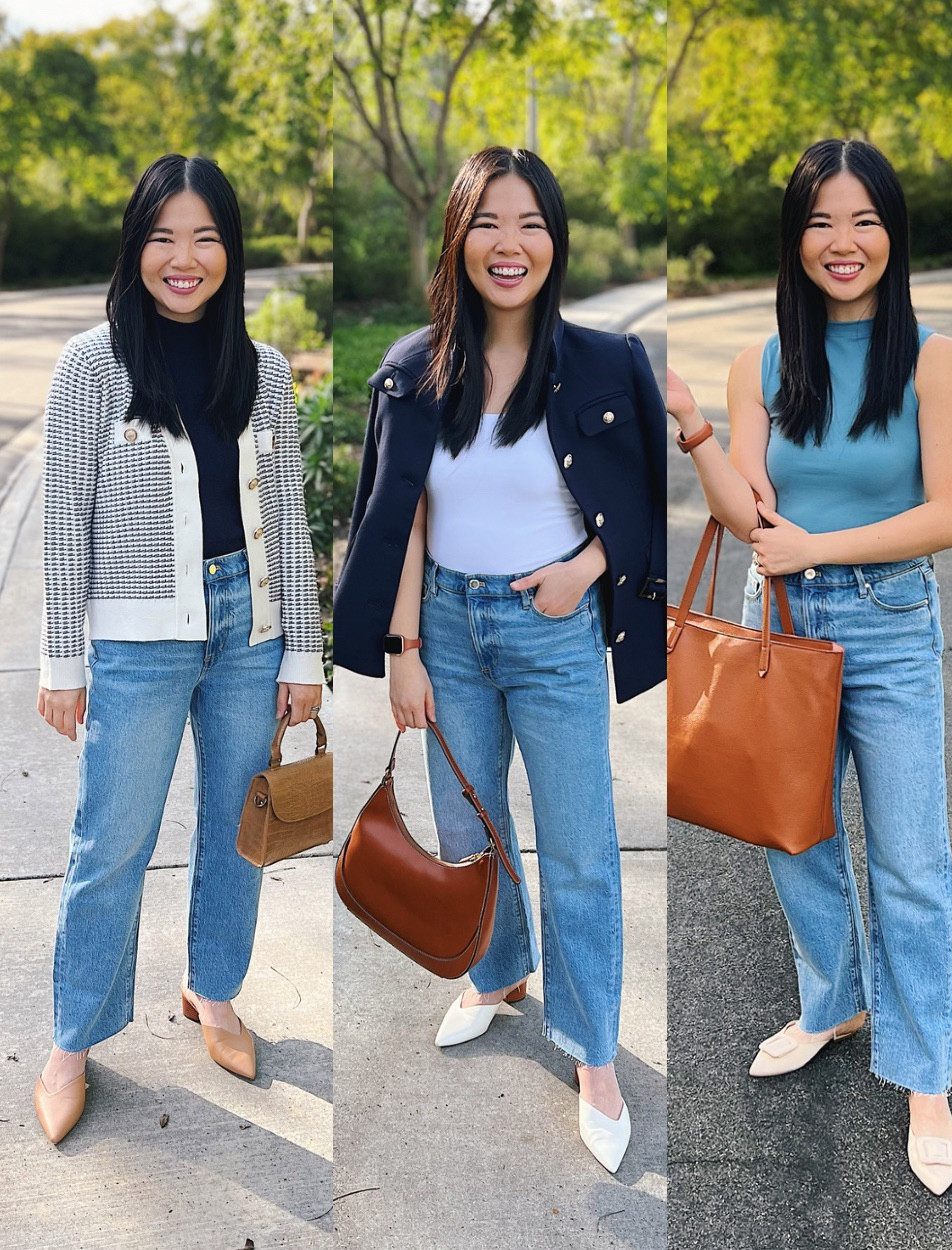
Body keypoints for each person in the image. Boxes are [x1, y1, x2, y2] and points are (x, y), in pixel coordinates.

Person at [334, 146, 667, 1173]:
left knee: (577, 846)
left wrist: (587, 569)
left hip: (554, 629)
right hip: (446, 633)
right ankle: (497, 971)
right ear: (457, 237)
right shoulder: (410, 366)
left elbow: (650, 497)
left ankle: (591, 1047)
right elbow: (404, 519)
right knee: (465, 828)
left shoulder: (608, 361)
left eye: (529, 222)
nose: (508, 244)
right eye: (488, 222)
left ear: (554, 239)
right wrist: (401, 647)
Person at [667, 138, 952, 1194]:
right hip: (784, 622)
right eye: (819, 223)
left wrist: (819, 547)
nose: (841, 243)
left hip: (887, 621)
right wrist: (696, 429)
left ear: (891, 231)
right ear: (794, 240)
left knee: (909, 861)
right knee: (788, 828)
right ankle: (833, 997)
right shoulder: (762, 362)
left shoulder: (934, 359)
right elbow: (745, 507)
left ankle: (924, 1075)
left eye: (861, 220)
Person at [33, 154, 325, 1145]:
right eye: (164, 237)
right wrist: (62, 661)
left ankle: (214, 989)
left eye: (205, 238)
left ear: (230, 251)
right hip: (136, 639)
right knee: (107, 841)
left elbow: (284, 516)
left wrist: (302, 654)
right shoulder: (91, 364)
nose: (184, 258)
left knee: (239, 830)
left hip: (249, 630)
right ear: (136, 246)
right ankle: (72, 1039)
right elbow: (63, 522)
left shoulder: (267, 368)